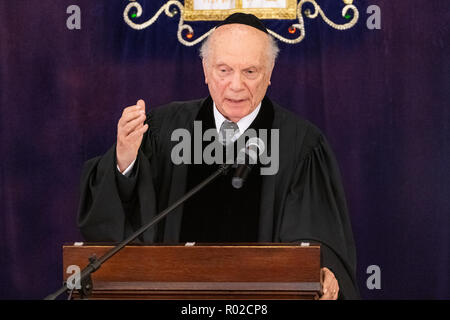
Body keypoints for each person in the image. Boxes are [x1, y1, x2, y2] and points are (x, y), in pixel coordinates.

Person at [77, 13, 359, 300]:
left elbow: (317, 241)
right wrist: (125, 161)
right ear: (206, 70)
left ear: (270, 72)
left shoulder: (301, 145)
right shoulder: (163, 130)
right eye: (224, 70)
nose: (236, 85)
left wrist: (322, 270)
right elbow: (113, 222)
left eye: (250, 72)